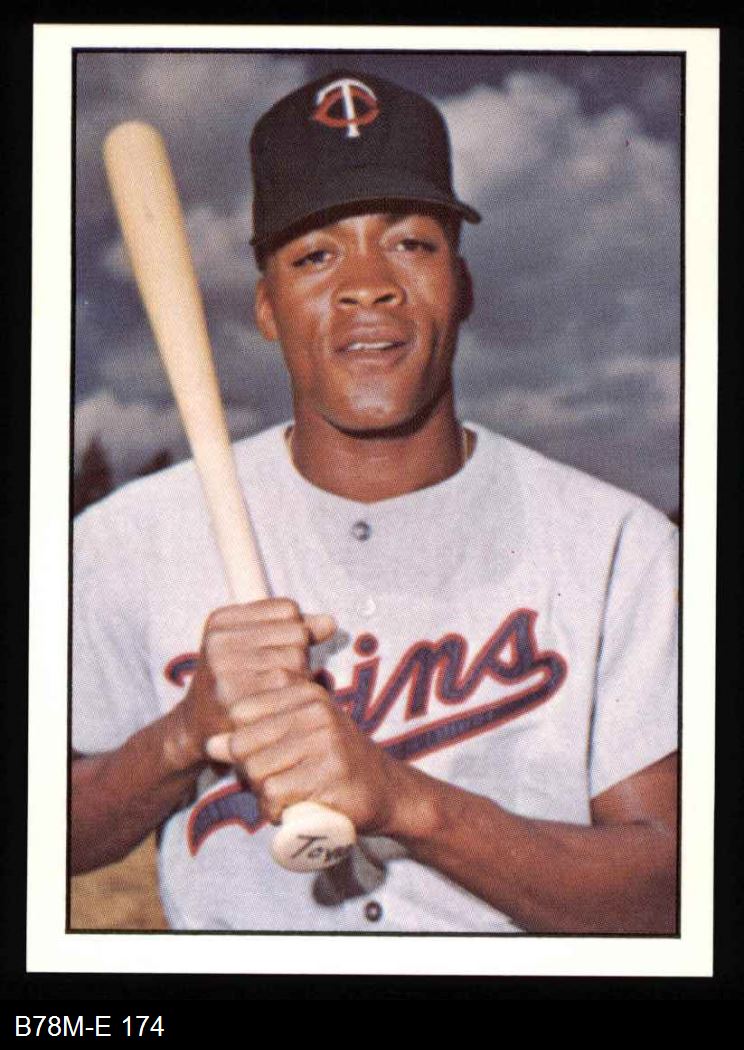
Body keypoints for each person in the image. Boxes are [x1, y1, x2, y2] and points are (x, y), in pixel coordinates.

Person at [71, 70, 678, 933]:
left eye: (411, 244)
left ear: (461, 286)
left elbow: (673, 894)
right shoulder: (125, 539)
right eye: (315, 256)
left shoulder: (617, 545)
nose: (366, 284)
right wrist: (180, 736)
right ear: (267, 308)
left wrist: (407, 802)